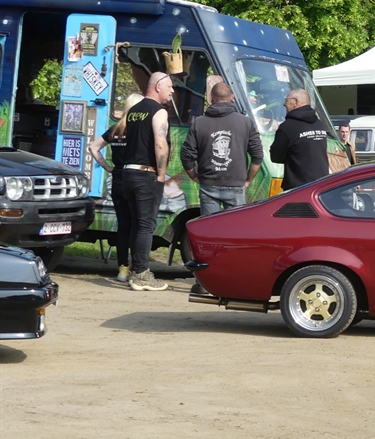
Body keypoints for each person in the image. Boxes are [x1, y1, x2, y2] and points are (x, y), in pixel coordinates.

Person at [121, 72, 174, 291]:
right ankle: (141, 274)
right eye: (170, 87)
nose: (172, 91)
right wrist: (161, 174)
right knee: (146, 225)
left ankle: (135, 271)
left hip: (128, 174)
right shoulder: (159, 111)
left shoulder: (134, 111)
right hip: (146, 174)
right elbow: (160, 143)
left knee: (136, 224)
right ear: (158, 86)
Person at [180, 82, 263, 215]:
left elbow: (186, 156)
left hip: (209, 184)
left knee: (209, 226)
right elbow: (258, 155)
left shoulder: (199, 123)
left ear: (211, 98)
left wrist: (194, 176)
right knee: (234, 227)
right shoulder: (246, 122)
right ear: (232, 98)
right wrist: (248, 180)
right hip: (236, 184)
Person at [87, 93, 145, 283]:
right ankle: (138, 269)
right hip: (135, 179)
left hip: (117, 180)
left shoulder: (116, 129)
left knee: (123, 226)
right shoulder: (139, 131)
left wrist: (107, 167)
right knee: (138, 225)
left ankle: (122, 269)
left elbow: (93, 147)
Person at [269, 88, 330, 190]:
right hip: (321, 185)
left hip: (297, 188)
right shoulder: (320, 124)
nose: (284, 104)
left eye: (286, 100)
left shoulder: (287, 127)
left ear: (296, 102)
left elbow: (275, 156)